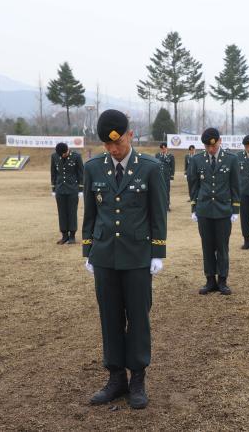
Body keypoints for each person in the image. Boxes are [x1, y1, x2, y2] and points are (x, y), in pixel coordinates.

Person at [82, 109, 167, 409]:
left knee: (138, 318)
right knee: (110, 317)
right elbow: (90, 214)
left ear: (130, 135)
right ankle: (116, 376)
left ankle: (138, 378)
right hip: (105, 256)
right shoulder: (93, 168)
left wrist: (158, 252)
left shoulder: (151, 168)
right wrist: (87, 250)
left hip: (137, 257)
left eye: (116, 143)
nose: (113, 149)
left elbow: (158, 214)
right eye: (107, 144)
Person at [188, 128, 240, 295]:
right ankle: (210, 280)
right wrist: (194, 207)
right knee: (207, 246)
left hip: (223, 210)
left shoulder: (231, 159)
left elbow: (235, 185)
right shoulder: (197, 160)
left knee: (222, 247)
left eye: (214, 145)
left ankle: (222, 280)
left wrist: (235, 209)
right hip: (204, 211)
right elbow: (193, 185)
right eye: (207, 146)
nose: (211, 149)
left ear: (219, 141)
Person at [51, 142, 84, 244]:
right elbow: (53, 172)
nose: (62, 156)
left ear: (67, 150)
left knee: (72, 212)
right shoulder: (54, 156)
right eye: (61, 155)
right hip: (60, 189)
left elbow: (81, 173)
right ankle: (64, 235)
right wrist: (53, 189)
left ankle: (72, 236)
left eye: (64, 154)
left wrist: (80, 189)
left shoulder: (76, 156)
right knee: (62, 212)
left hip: (72, 189)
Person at [155, 143, 175, 211]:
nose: (163, 150)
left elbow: (173, 167)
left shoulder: (170, 156)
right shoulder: (157, 155)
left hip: (167, 177)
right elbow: (155, 166)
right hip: (159, 176)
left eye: (164, 148)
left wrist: (172, 177)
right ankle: (159, 206)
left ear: (167, 148)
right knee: (159, 191)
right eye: (162, 148)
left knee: (166, 191)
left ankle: (167, 206)